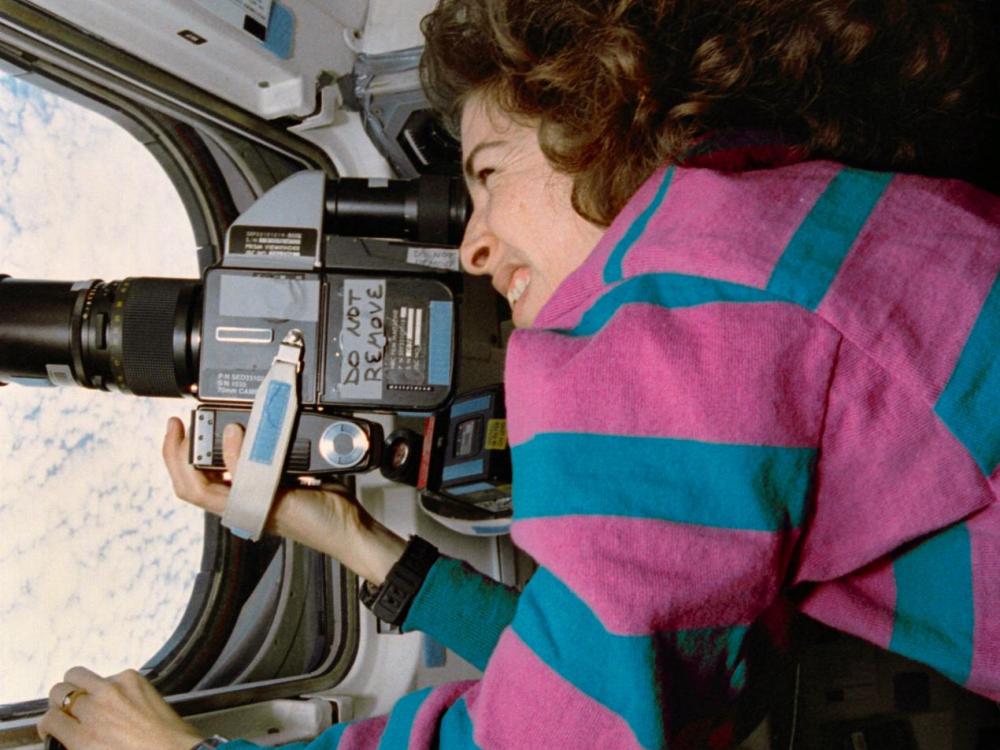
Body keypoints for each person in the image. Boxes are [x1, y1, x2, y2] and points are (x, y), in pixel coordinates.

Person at [39, 1, 1000, 748]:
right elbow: (619, 682)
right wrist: (354, 539)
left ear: (600, 114)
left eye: (488, 174)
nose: (472, 246)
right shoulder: (760, 240)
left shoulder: (665, 311)